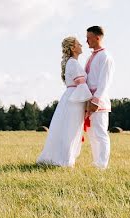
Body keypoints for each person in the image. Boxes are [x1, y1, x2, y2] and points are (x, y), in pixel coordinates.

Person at [36, 36, 91, 167]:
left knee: (69, 128)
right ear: (72, 48)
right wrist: (89, 102)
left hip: (73, 97)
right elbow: (81, 85)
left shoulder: (72, 62)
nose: (81, 45)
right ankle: (65, 161)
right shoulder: (73, 63)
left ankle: (63, 158)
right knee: (70, 129)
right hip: (75, 98)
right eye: (78, 44)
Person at [79, 25, 115, 169]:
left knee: (100, 133)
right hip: (89, 100)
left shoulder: (105, 57)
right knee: (92, 134)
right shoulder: (92, 56)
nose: (86, 41)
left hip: (99, 101)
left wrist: (96, 100)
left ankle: (102, 164)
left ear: (97, 37)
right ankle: (96, 162)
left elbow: (105, 81)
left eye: (88, 38)